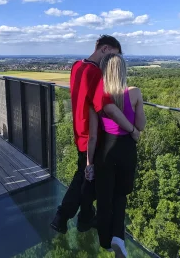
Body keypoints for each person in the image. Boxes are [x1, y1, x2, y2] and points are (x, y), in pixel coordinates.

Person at [50, 35, 138, 234]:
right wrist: (132, 129)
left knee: (88, 176)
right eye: (113, 56)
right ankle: (63, 216)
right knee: (84, 177)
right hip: (94, 134)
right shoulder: (95, 73)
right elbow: (107, 108)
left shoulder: (77, 66)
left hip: (80, 131)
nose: (112, 63)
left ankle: (85, 217)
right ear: (105, 49)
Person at [89, 53, 146, 257]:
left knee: (104, 197)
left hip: (105, 149)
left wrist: (89, 162)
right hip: (126, 149)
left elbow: (93, 136)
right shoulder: (135, 92)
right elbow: (140, 126)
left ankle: (104, 241)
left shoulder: (98, 97)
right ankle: (117, 238)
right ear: (123, 70)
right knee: (120, 195)